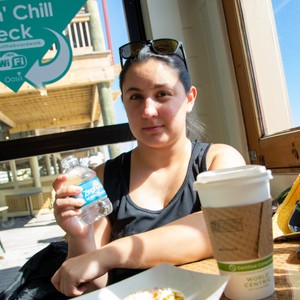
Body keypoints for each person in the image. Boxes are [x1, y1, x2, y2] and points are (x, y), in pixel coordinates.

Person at [51, 38, 246, 297]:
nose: (148, 110)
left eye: (162, 94)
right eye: (135, 97)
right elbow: (94, 282)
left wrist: (109, 254)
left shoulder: (219, 160)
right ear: (124, 104)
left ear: (189, 99)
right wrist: (80, 235)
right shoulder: (103, 178)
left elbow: (224, 226)